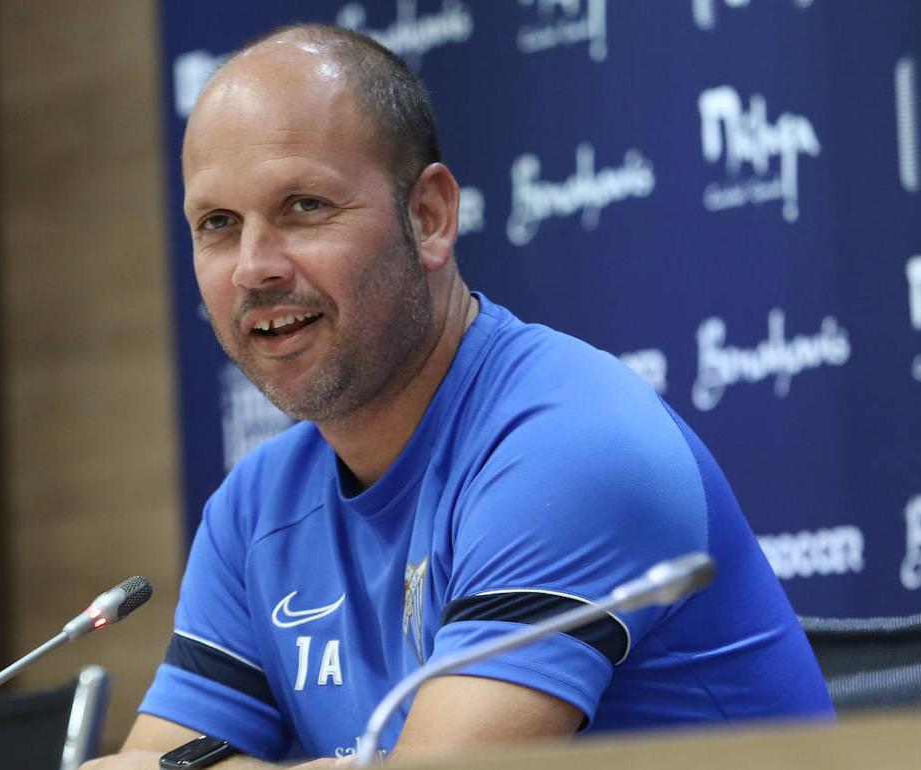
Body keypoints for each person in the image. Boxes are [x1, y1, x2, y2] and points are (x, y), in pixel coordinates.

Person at [82, 23, 833, 770]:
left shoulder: (567, 449)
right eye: (217, 224)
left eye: (304, 206)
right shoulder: (256, 512)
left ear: (430, 217)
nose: (253, 268)